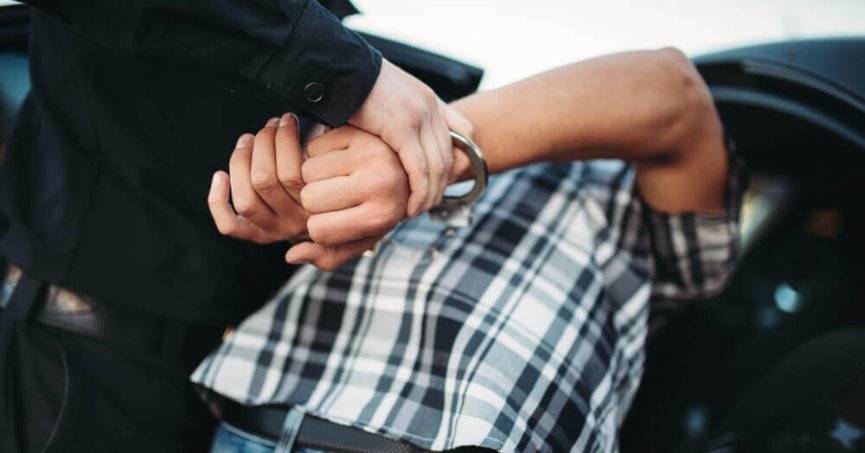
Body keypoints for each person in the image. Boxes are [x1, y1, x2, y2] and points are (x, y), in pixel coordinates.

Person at [192, 48, 747, 452]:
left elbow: (672, 90)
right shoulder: (394, 136)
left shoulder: (646, 208)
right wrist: (314, 201)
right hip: (252, 425)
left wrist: (424, 153)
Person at [0, 1, 469, 452]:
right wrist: (352, 74)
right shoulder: (345, 63)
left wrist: (326, 185)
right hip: (79, 367)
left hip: (234, 381)